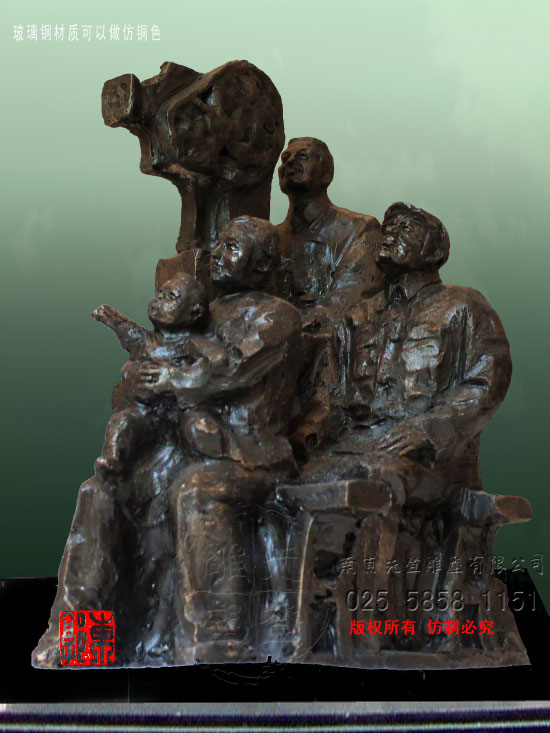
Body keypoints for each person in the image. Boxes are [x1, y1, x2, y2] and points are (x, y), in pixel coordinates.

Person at [140, 215, 303, 661]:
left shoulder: (278, 317)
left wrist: (173, 379)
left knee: (197, 491)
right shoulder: (204, 311)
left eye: (231, 246)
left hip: (253, 455)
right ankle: (113, 621)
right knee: (115, 488)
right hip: (191, 443)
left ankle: (219, 631)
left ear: (262, 263)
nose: (217, 253)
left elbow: (235, 366)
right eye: (220, 243)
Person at [300, 202, 512, 508]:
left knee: (371, 480)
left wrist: (429, 428)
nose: (390, 235)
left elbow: (488, 381)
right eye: (388, 229)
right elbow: (329, 390)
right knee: (293, 480)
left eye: (405, 228)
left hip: (429, 456)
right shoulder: (358, 316)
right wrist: (314, 427)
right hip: (353, 445)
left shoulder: (463, 305)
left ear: (434, 251)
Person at [91, 273, 217, 482]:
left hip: (173, 418)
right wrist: (112, 319)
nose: (159, 299)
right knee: (121, 422)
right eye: (160, 293)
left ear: (194, 313)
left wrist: (178, 375)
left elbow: (217, 361)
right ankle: (111, 462)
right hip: (144, 415)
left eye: (170, 296)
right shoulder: (149, 341)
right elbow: (131, 334)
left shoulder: (192, 344)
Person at [276, 136, 384, 315]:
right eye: (285, 158)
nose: (290, 162)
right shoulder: (271, 238)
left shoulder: (361, 229)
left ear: (326, 174)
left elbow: (349, 301)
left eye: (302, 156)